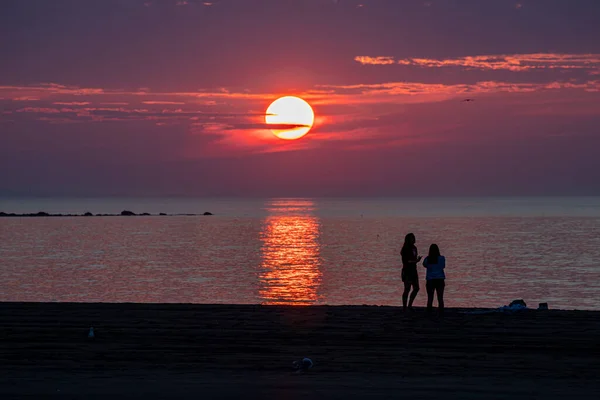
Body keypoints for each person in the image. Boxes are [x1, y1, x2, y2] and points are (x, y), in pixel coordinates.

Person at [422, 244, 446, 315]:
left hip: (430, 280)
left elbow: (424, 265)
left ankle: (429, 311)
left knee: (430, 297)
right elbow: (443, 266)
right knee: (440, 297)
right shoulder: (442, 258)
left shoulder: (427, 259)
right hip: (440, 279)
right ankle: (441, 311)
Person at [401, 233, 421, 311]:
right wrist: (415, 261)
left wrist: (416, 261)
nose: (414, 239)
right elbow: (406, 261)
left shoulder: (414, 248)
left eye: (414, 237)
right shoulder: (405, 248)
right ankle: (405, 306)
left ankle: (410, 305)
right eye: (412, 238)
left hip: (413, 270)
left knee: (416, 288)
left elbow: (413, 260)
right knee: (407, 289)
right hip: (407, 271)